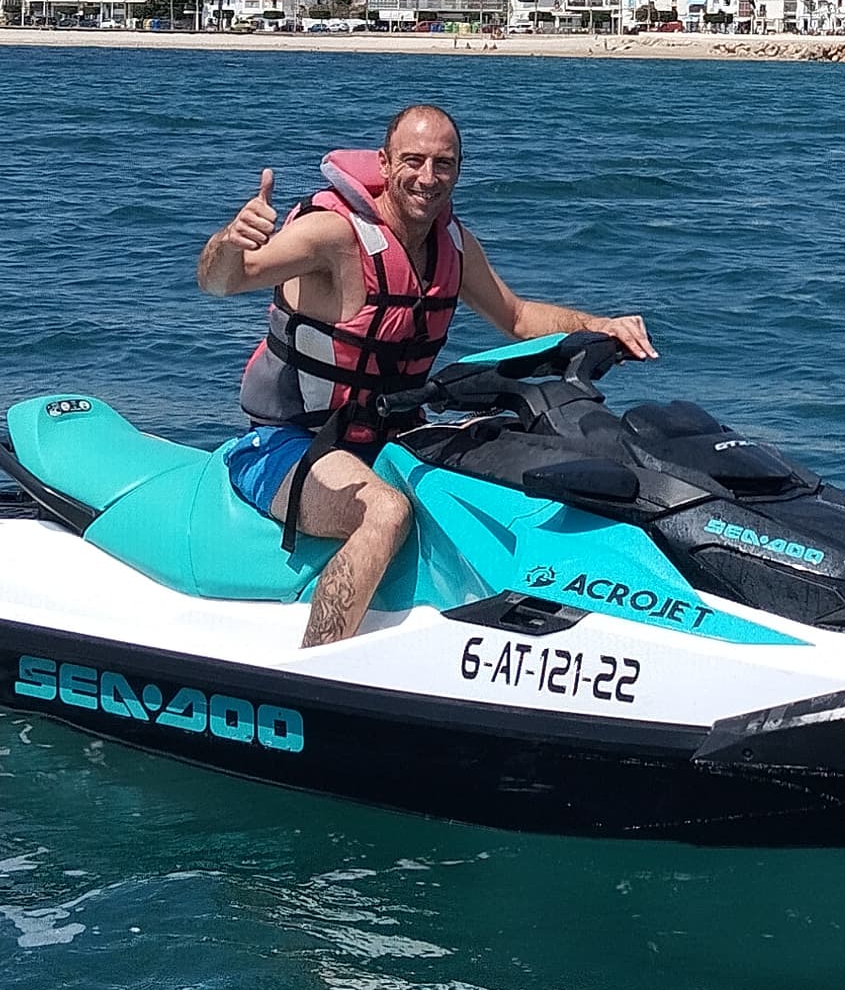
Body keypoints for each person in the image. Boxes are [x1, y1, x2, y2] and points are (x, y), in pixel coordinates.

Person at [195, 101, 652, 647]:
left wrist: (599, 326)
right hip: (289, 443)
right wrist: (229, 240)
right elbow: (223, 282)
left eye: (445, 163)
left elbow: (517, 316)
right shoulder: (332, 236)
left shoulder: (451, 243)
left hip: (392, 435)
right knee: (384, 514)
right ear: (385, 164)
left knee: (531, 466)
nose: (428, 178)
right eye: (413, 161)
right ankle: (316, 670)